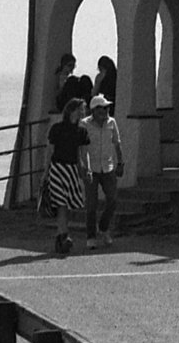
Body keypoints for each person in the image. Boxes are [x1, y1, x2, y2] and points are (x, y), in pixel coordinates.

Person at [45, 102, 90, 257]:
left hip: (71, 169)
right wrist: (45, 173)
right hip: (57, 168)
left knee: (69, 204)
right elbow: (50, 152)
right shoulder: (57, 128)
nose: (83, 112)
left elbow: (82, 154)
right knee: (61, 203)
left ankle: (61, 236)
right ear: (72, 110)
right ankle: (63, 236)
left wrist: (86, 170)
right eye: (81, 109)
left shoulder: (81, 131)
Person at [82, 95, 122, 245]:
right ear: (94, 110)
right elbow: (83, 148)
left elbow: (117, 143)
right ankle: (91, 237)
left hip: (108, 167)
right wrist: (85, 167)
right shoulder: (84, 124)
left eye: (106, 108)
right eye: (102, 108)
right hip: (91, 168)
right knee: (91, 204)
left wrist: (121, 162)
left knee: (113, 199)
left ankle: (103, 227)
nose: (105, 111)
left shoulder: (112, 122)